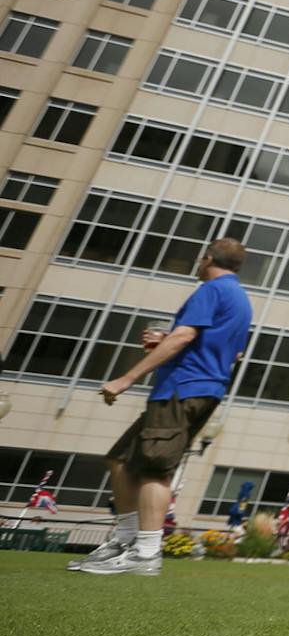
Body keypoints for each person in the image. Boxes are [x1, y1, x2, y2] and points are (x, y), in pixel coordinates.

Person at [75, 238, 254, 577]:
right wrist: (169, 343)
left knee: (153, 468)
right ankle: (126, 540)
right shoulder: (240, 300)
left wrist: (126, 378)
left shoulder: (211, 290)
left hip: (183, 388)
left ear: (209, 258)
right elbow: (232, 352)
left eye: (202, 257)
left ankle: (145, 552)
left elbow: (184, 336)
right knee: (121, 460)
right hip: (196, 387)